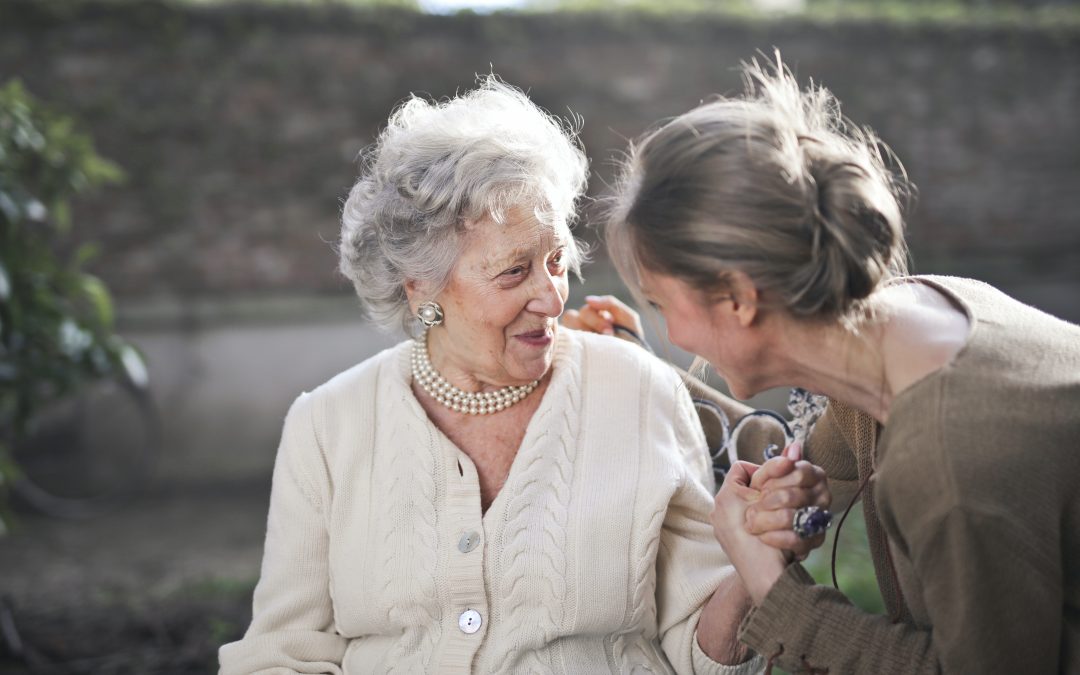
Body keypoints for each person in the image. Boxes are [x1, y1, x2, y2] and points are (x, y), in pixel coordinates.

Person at [218, 77, 807, 674]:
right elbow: (282, 653)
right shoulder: (327, 423)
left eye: (556, 261)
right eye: (513, 272)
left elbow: (700, 654)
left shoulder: (636, 391)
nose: (552, 299)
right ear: (420, 285)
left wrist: (752, 564)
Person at [603, 55, 1080, 674]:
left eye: (665, 304)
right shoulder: (912, 319)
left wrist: (779, 596)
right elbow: (816, 472)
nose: (671, 332)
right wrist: (775, 506)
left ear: (740, 299)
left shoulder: (947, 458)